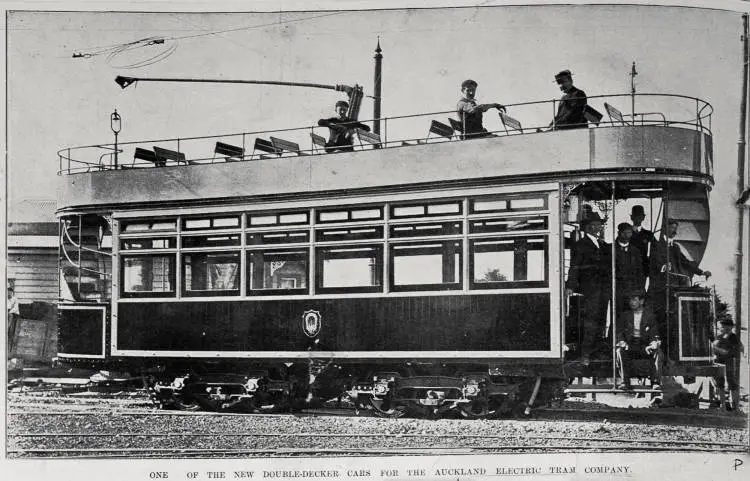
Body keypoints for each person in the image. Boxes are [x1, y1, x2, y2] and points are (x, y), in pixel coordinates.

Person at [648, 219, 711, 356]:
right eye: (671, 228)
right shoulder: (656, 246)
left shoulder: (675, 247)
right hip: (660, 290)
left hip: (673, 288)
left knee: (674, 321)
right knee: (661, 320)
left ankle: (673, 352)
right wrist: (661, 267)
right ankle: (661, 351)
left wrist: (701, 272)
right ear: (665, 229)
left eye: (675, 228)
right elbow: (652, 264)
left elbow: (686, 262)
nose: (674, 231)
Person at [566, 211, 611, 365]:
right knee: (590, 322)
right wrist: (570, 286)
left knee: (600, 320)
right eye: (598, 223)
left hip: (603, 290)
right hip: (590, 290)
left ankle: (596, 353)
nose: (600, 226)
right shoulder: (581, 245)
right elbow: (575, 267)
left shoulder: (603, 244)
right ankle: (585, 354)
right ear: (591, 226)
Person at [615, 290, 664, 390]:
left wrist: (654, 343)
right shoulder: (625, 316)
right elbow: (619, 333)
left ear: (641, 301)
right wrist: (622, 343)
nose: (631, 302)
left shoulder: (650, 316)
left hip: (645, 345)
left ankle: (655, 383)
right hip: (630, 345)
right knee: (619, 351)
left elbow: (654, 334)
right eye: (630, 300)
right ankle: (625, 382)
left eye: (634, 300)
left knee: (658, 352)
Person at [712, 318, 744, 411]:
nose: (722, 328)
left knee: (731, 383)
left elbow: (733, 351)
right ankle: (723, 406)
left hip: (729, 362)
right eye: (721, 326)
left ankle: (735, 407)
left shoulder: (733, 337)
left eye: (724, 326)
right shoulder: (719, 336)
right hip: (719, 362)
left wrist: (716, 349)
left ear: (730, 327)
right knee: (720, 384)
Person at [614, 223, 645, 311]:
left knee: (630, 313)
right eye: (624, 233)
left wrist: (640, 288)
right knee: (617, 313)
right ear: (619, 233)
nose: (627, 236)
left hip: (632, 289)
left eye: (629, 233)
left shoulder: (635, 251)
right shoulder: (612, 249)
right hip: (617, 289)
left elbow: (640, 271)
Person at [629, 205, 655, 286]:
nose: (638, 219)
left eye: (640, 217)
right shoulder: (626, 233)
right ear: (631, 217)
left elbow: (655, 248)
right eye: (635, 216)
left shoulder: (648, 234)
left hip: (643, 267)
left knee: (641, 289)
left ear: (643, 218)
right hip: (629, 266)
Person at [7, 286, 19, 353]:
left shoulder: (15, 299)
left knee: (10, 315)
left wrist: (9, 312)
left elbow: (15, 308)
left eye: (10, 293)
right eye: (8, 293)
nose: (9, 294)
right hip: (8, 314)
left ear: (12, 293)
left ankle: (8, 328)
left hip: (14, 314)